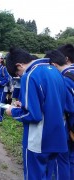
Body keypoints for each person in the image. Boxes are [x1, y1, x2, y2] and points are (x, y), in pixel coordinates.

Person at [5, 48, 69, 180]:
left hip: (38, 139)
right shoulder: (56, 71)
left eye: (18, 73)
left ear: (19, 65)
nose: (20, 76)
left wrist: (13, 111)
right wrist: (25, 104)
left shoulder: (30, 76)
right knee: (47, 174)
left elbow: (34, 115)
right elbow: (50, 102)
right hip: (57, 136)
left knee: (34, 176)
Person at [45, 50, 74, 180]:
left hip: (70, 127)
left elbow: (68, 107)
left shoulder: (65, 79)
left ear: (54, 65)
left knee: (63, 160)